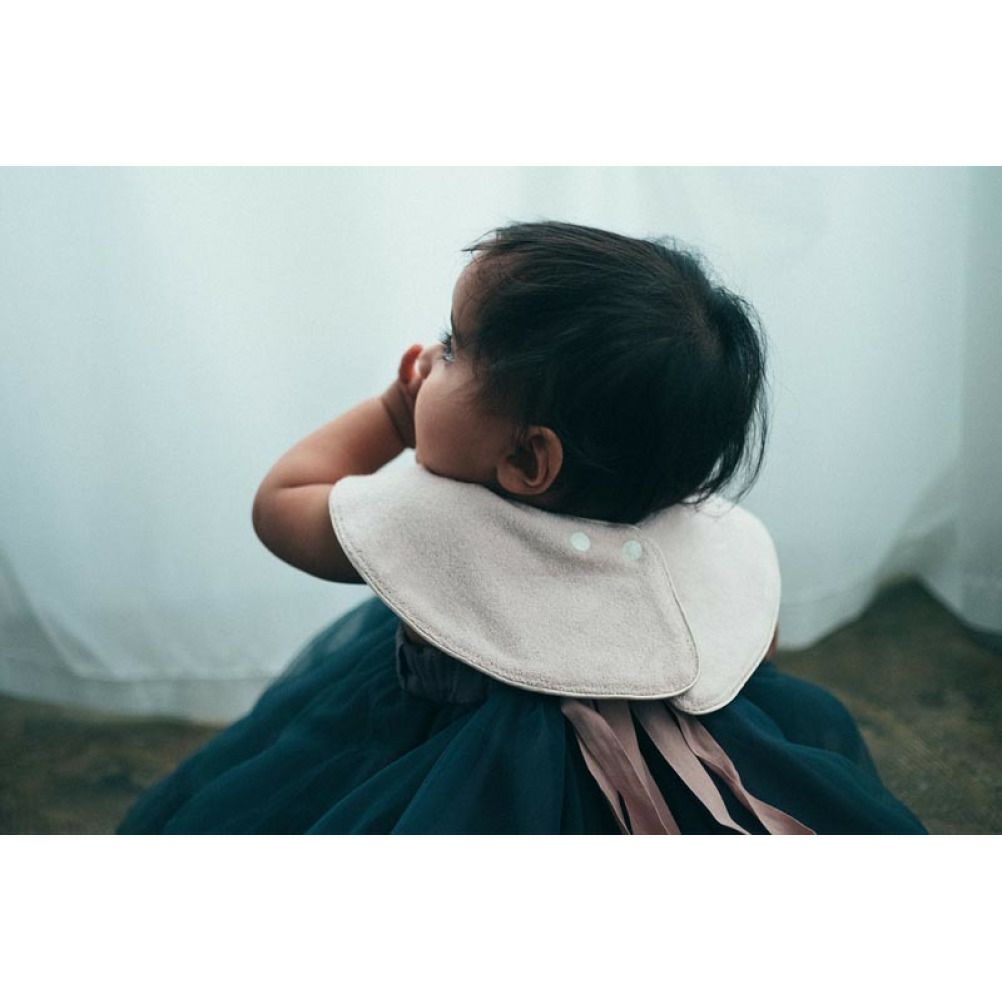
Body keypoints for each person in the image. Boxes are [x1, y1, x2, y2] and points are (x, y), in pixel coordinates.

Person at [117, 221, 927, 835]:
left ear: (527, 459)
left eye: (452, 348)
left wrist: (393, 414)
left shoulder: (430, 522)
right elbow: (756, 638)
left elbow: (283, 502)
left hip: (456, 779)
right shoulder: (699, 529)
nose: (426, 361)